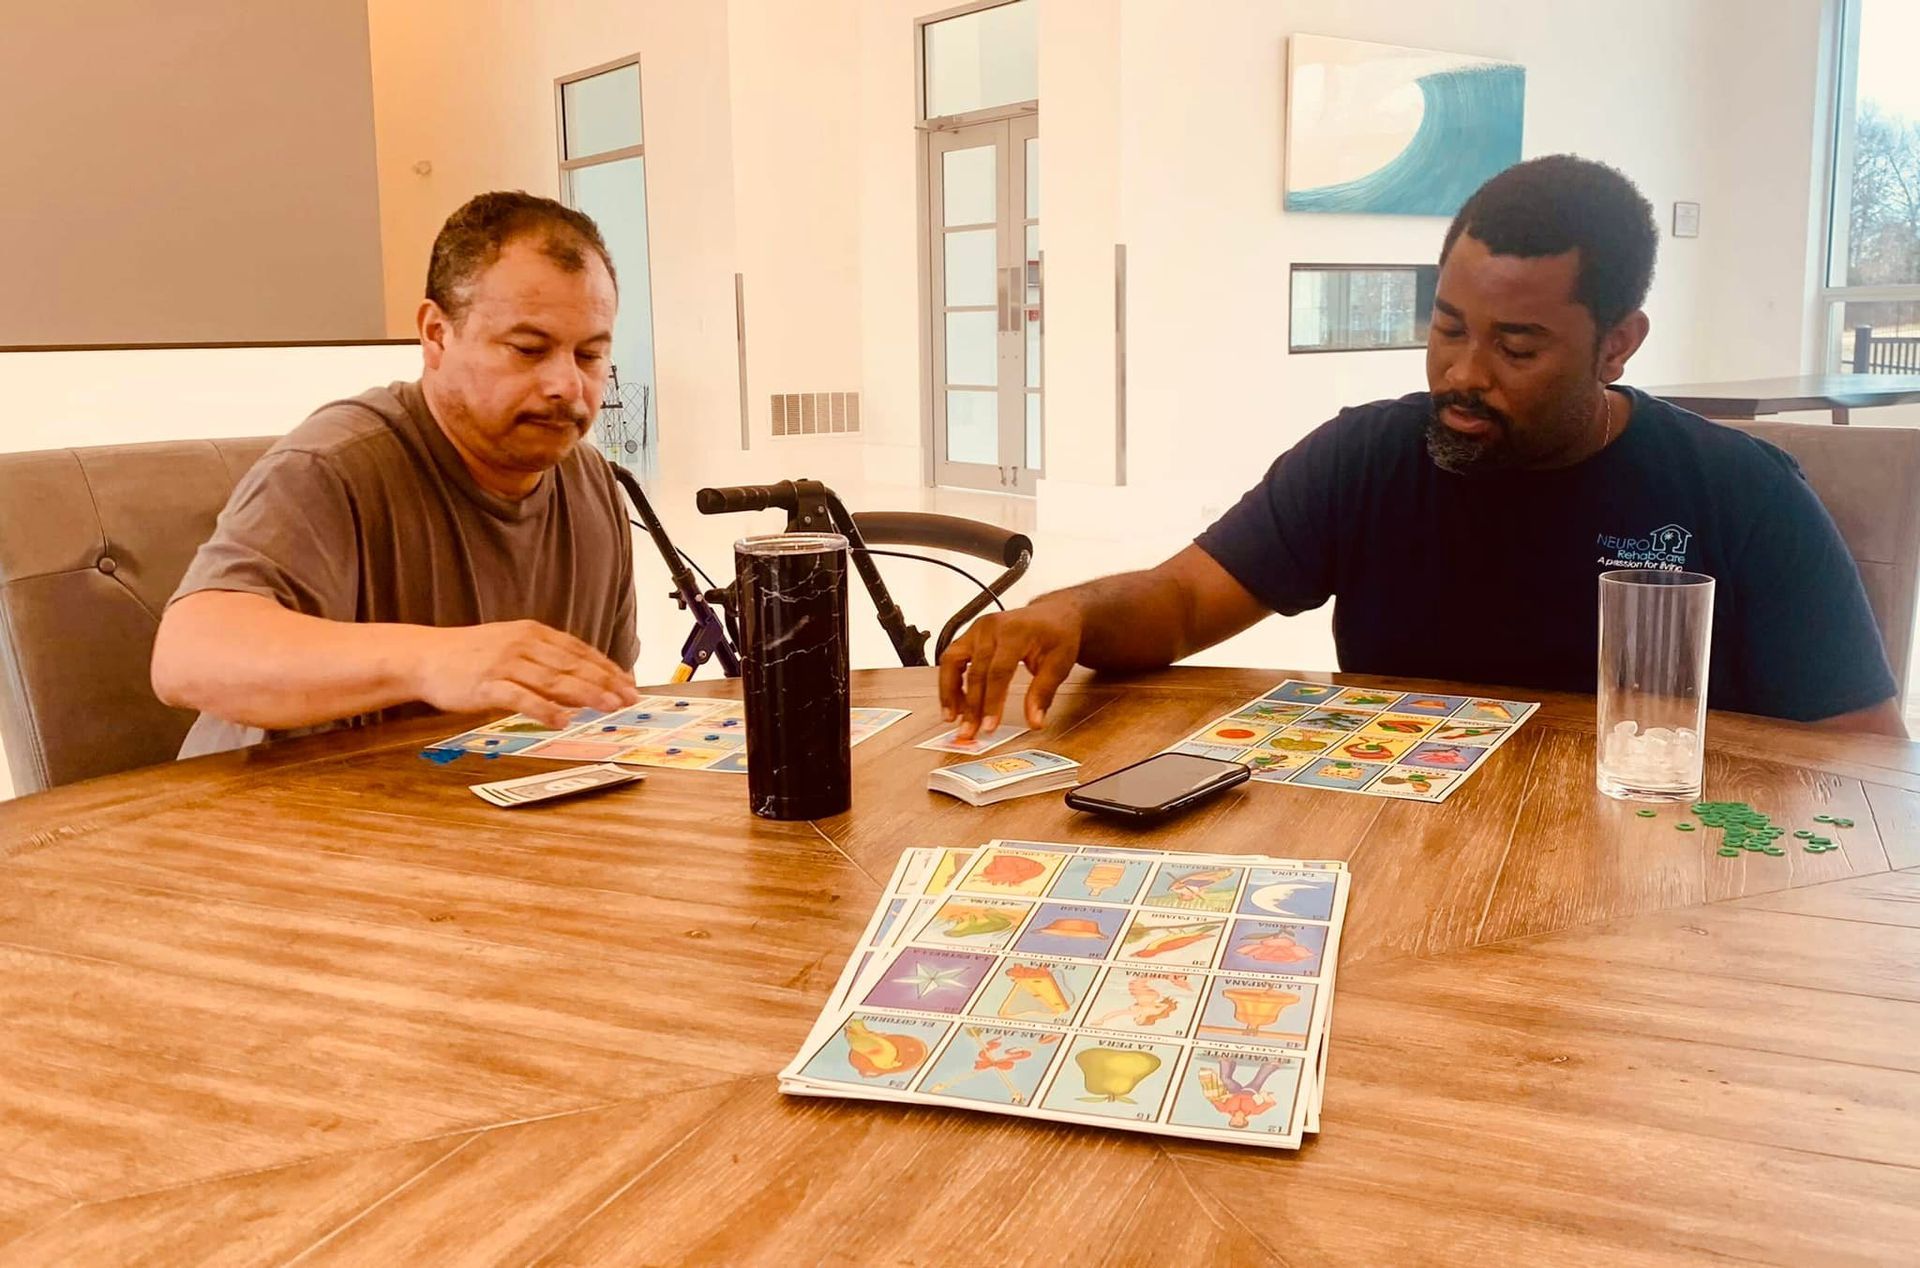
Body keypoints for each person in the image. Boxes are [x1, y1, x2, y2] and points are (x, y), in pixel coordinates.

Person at [940, 155, 1907, 739]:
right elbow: (1186, 601)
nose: (1462, 373)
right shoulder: (1368, 458)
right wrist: (1069, 609)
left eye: (1516, 346)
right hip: (1404, 859)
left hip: (1650, 887)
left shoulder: (1742, 493)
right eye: (1447, 327)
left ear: (1618, 344)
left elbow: (1861, 744)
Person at [152, 191, 644, 756]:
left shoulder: (591, 484)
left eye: (589, 356)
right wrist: (431, 660)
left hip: (467, 819)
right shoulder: (331, 465)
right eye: (529, 349)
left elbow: (598, 709)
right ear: (436, 334)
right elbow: (187, 656)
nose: (566, 385)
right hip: (272, 824)